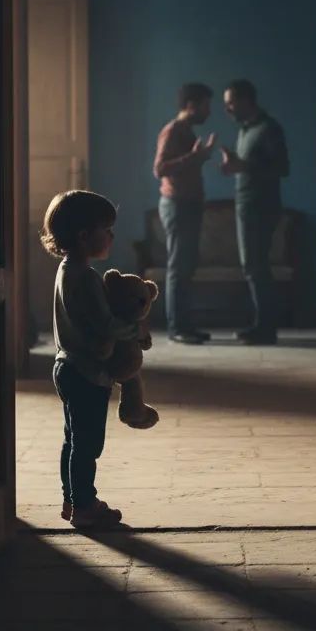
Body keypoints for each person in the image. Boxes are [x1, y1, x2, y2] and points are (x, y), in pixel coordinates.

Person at [39, 189, 153, 530]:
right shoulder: (85, 276)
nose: (112, 235)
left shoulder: (67, 269)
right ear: (84, 235)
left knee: (73, 438)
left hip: (66, 365)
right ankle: (85, 505)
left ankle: (72, 499)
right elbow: (104, 324)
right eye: (107, 228)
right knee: (88, 443)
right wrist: (135, 331)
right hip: (86, 370)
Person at [221, 79, 290, 345]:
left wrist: (243, 165)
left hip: (261, 206)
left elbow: (283, 168)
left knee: (256, 267)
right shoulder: (245, 130)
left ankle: (265, 329)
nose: (227, 109)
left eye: (230, 103)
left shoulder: (269, 128)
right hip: (246, 205)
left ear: (246, 100)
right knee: (253, 267)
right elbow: (248, 166)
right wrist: (235, 167)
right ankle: (261, 326)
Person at [153, 82, 216, 344]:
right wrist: (195, 157)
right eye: (205, 105)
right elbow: (159, 168)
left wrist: (198, 157)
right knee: (179, 268)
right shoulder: (173, 130)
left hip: (187, 205)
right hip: (177, 205)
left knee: (186, 267)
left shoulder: (186, 131)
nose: (208, 111)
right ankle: (177, 328)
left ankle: (185, 326)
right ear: (191, 104)